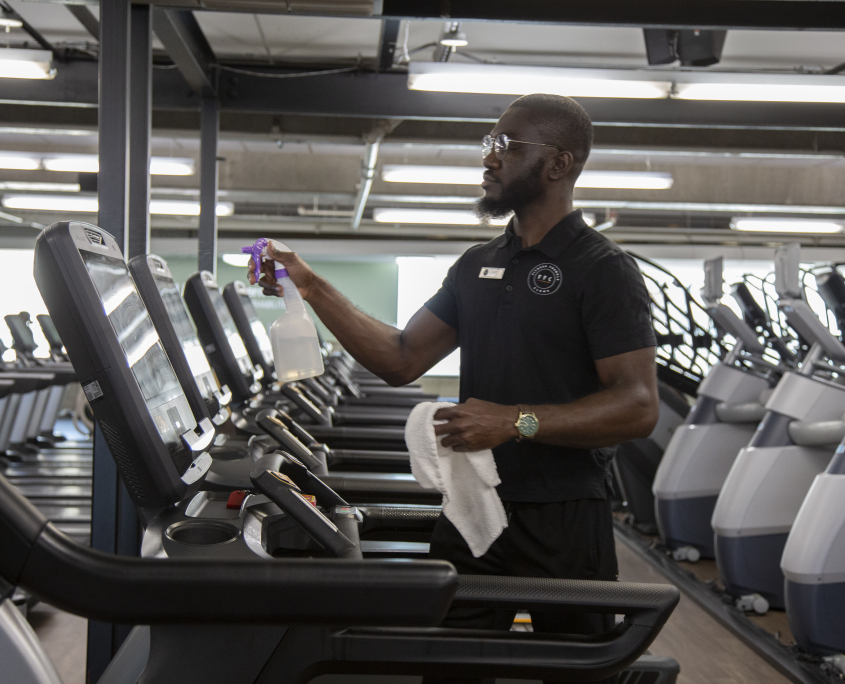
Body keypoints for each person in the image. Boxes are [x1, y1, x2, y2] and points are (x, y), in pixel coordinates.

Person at [249, 93, 659, 684]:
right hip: (474, 506)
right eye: (487, 145)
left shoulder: (602, 268)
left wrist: (516, 421)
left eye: (505, 146)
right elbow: (400, 358)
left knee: (579, 674)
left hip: (564, 517)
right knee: (451, 670)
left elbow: (638, 406)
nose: (488, 159)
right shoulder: (476, 265)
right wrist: (310, 287)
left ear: (558, 164)